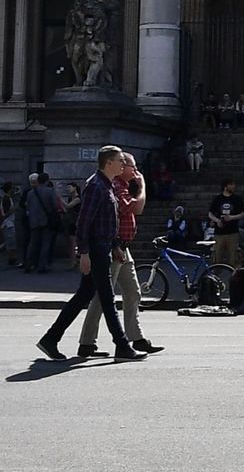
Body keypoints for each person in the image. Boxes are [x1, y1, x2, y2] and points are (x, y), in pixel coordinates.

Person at [34, 147, 143, 362]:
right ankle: (121, 345)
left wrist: (115, 245)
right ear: (108, 162)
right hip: (95, 250)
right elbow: (84, 223)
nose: (123, 164)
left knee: (83, 296)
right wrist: (83, 253)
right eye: (120, 161)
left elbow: (106, 222)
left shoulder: (106, 184)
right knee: (107, 297)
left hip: (104, 246)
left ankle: (51, 339)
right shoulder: (96, 186)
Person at [78, 150, 162, 357]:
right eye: (130, 165)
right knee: (102, 297)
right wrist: (142, 187)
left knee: (132, 291)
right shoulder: (112, 186)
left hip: (122, 247)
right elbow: (135, 207)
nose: (134, 169)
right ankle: (88, 343)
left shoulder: (119, 185)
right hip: (112, 248)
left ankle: (136, 338)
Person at [25, 173, 64, 274]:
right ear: (47, 181)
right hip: (46, 221)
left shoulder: (30, 193)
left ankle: (28, 264)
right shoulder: (50, 191)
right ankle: (42, 266)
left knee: (32, 244)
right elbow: (55, 206)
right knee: (45, 244)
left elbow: (28, 207)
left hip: (33, 221)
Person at [207, 180, 244, 267]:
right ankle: (215, 277)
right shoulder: (218, 198)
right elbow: (210, 213)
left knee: (233, 258)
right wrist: (217, 220)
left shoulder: (237, 199)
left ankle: (234, 277)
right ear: (226, 186)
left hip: (233, 232)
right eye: (231, 185)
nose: (234, 186)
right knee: (217, 258)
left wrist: (232, 217)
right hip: (219, 233)